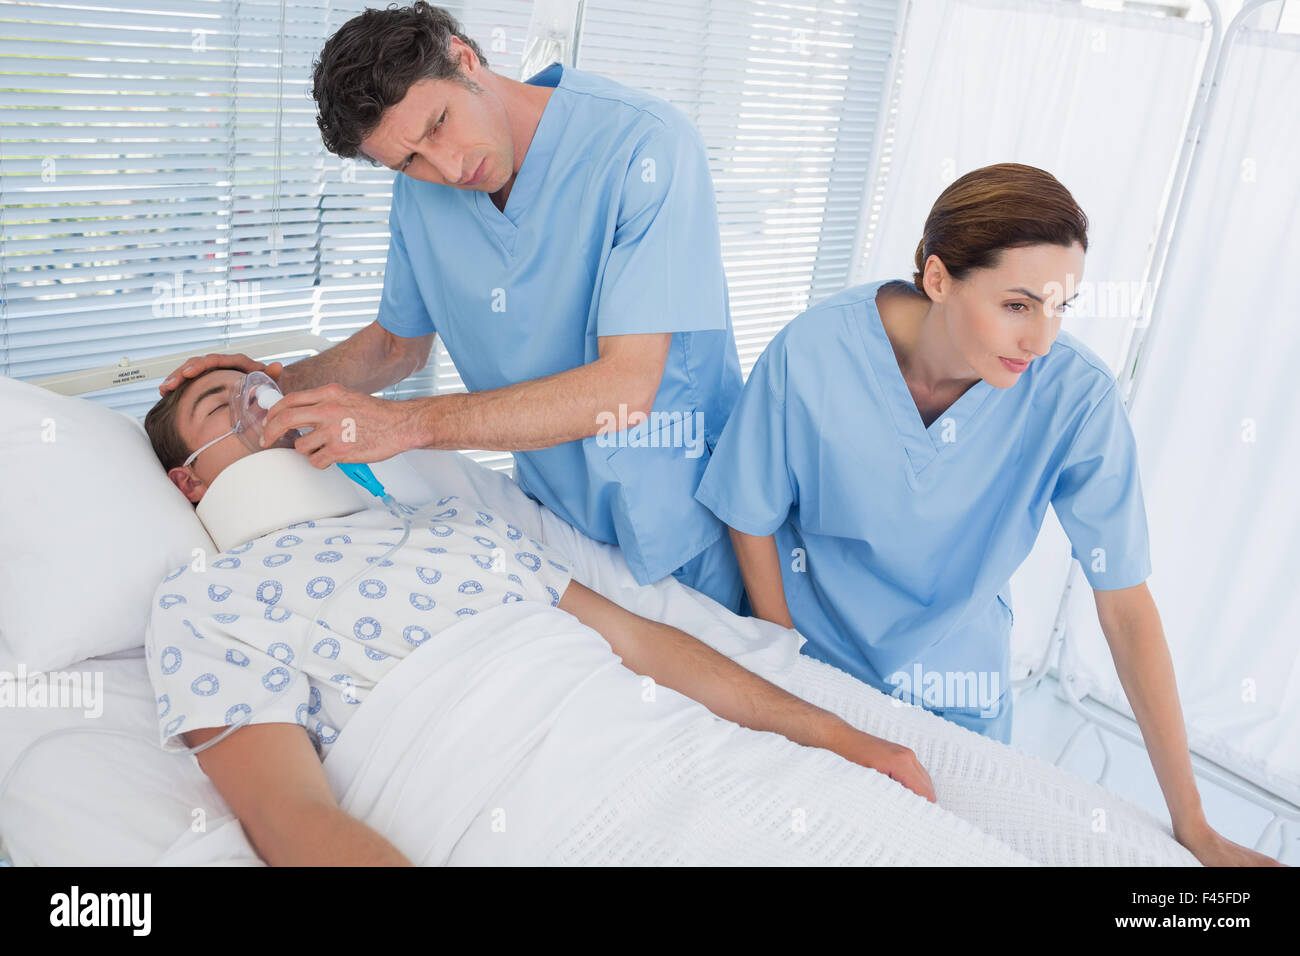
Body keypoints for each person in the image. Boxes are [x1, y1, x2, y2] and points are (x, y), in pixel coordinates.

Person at [693, 162, 1280, 867]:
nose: (1042, 339)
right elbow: (750, 515)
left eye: (1061, 307)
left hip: (955, 682)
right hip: (819, 650)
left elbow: (1123, 602)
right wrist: (788, 671)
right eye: (1019, 305)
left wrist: (1194, 824)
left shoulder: (1074, 399)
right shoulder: (817, 351)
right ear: (938, 279)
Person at [141, 364, 942, 866]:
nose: (262, 408)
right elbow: (289, 814)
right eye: (227, 404)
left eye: (268, 389)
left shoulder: (452, 521)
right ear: (189, 482)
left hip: (679, 754)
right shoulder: (206, 600)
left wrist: (842, 736)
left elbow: (640, 641)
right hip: (525, 810)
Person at [156, 2, 745, 613]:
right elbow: (396, 345)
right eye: (408, 160)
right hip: (559, 517)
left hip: (684, 511)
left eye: (438, 124)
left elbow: (624, 388)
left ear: (465, 57)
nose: (449, 169)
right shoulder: (420, 193)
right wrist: (264, 388)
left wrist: (407, 425)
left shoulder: (644, 149)